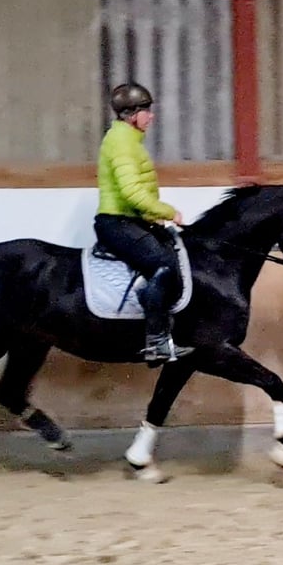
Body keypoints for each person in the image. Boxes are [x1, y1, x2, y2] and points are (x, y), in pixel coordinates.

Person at [93, 82, 194, 364]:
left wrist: (152, 217)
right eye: (146, 111)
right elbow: (131, 192)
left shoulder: (128, 140)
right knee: (162, 266)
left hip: (129, 220)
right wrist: (167, 211)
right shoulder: (122, 143)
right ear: (131, 114)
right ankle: (157, 343)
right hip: (116, 223)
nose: (151, 116)